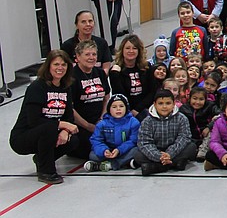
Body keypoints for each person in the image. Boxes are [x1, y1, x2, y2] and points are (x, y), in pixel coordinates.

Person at [8, 50, 79, 184]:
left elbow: (68, 116)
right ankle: (46, 171)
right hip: (24, 137)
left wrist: (65, 131)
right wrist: (63, 125)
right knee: (49, 128)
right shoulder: (37, 87)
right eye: (56, 64)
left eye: (64, 65)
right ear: (48, 66)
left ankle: (41, 158)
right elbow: (34, 120)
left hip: (48, 132)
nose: (60, 68)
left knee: (73, 140)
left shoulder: (65, 88)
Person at [134, 89, 199, 174]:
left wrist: (170, 154)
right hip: (156, 150)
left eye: (168, 103)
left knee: (191, 147)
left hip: (175, 151)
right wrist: (159, 156)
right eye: (160, 103)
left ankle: (158, 167)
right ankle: (174, 163)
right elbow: (144, 142)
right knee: (137, 154)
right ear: (155, 104)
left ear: (173, 104)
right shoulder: (147, 121)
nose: (164, 107)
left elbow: (184, 137)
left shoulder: (181, 118)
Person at [68, 41, 110, 157]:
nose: (91, 58)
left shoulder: (100, 73)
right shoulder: (72, 77)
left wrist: (102, 119)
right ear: (78, 57)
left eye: (94, 54)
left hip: (99, 121)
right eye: (87, 54)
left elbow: (106, 98)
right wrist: (88, 126)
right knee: (90, 147)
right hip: (81, 125)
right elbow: (69, 108)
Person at [83, 93, 139, 172]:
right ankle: (122, 163)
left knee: (136, 151)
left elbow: (133, 141)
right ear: (109, 109)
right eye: (114, 107)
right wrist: (104, 150)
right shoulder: (102, 124)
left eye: (121, 106)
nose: (118, 109)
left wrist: (119, 150)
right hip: (109, 151)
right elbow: (96, 140)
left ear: (126, 108)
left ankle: (108, 165)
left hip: (124, 151)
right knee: (92, 155)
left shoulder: (133, 122)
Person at [108, 35, 155, 118]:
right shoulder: (115, 71)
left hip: (144, 108)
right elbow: (119, 94)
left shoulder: (147, 67)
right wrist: (115, 75)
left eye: (134, 48)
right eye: (127, 48)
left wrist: (138, 109)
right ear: (122, 50)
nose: (131, 51)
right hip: (125, 110)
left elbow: (152, 91)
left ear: (139, 51)